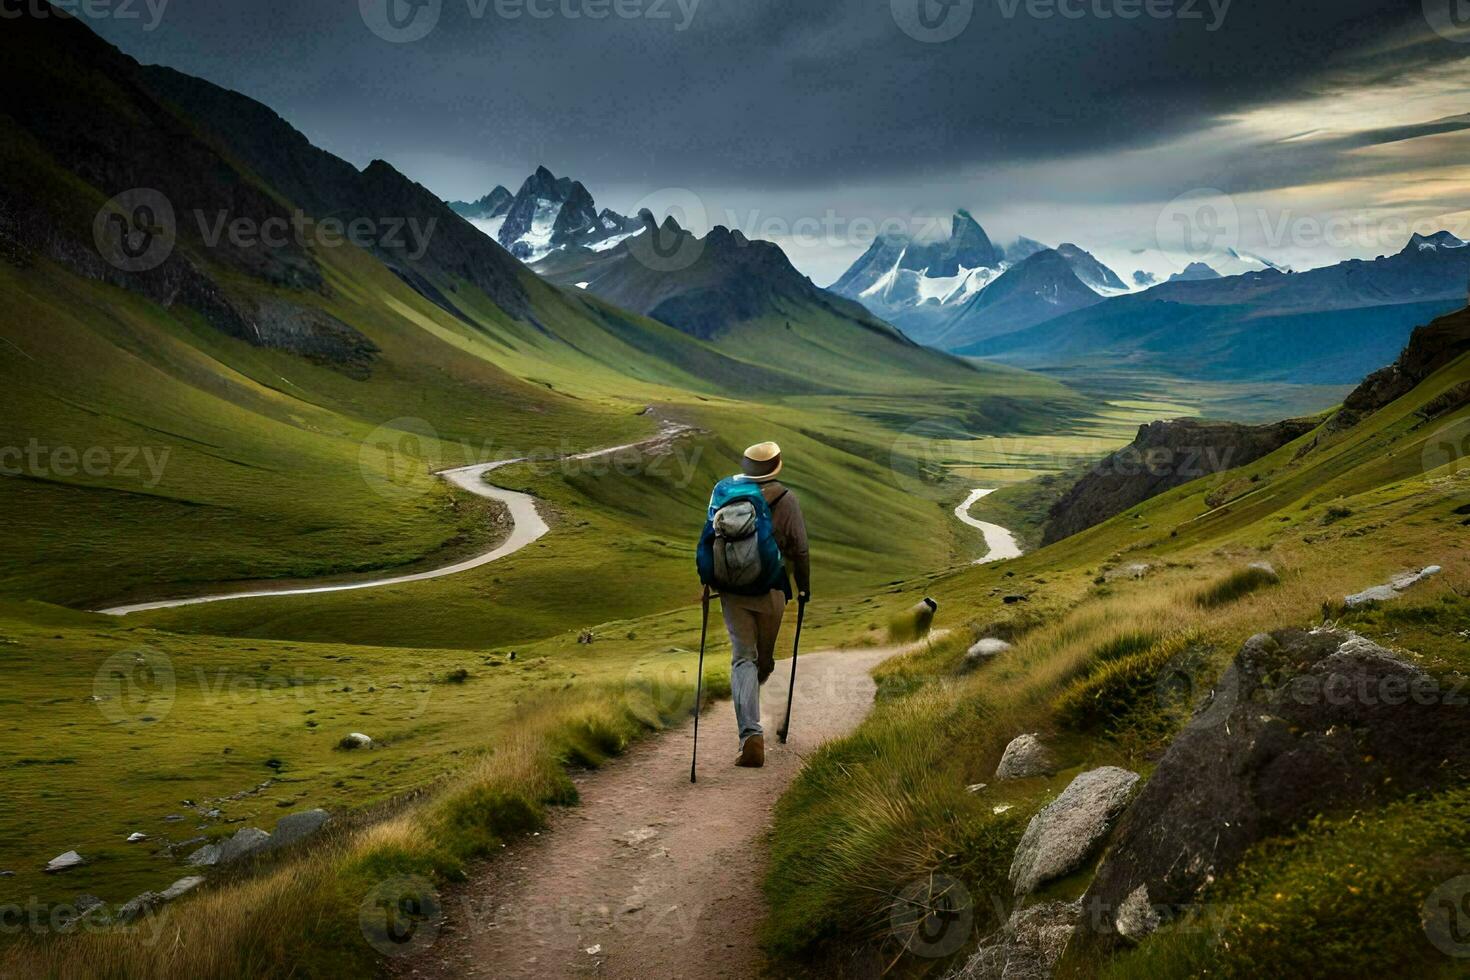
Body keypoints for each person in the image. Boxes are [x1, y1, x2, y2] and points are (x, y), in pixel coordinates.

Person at [720, 441, 810, 768]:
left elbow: (710, 540)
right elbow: (800, 549)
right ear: (776, 467)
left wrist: (706, 584)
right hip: (772, 591)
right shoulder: (787, 500)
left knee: (743, 657)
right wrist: (804, 589)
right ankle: (752, 725)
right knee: (762, 660)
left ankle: (750, 735)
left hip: (732, 592)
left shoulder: (726, 494)